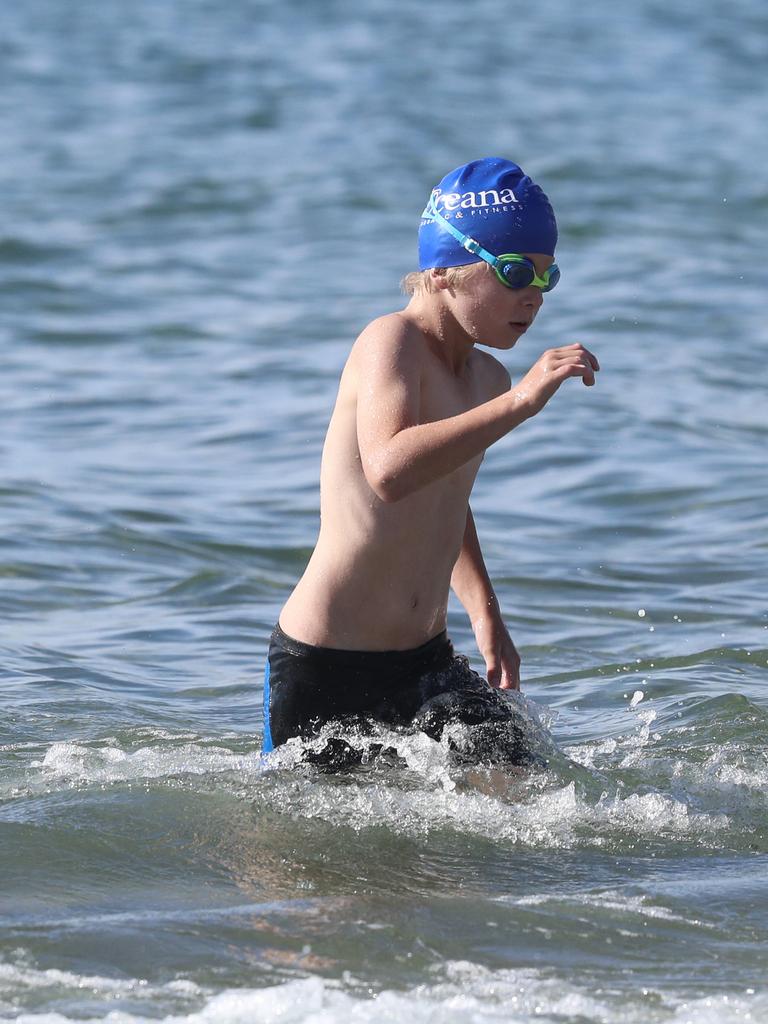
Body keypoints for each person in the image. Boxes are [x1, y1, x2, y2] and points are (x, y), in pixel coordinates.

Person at [262, 156, 599, 765]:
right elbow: (390, 470)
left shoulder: (486, 378)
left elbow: (445, 495)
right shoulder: (389, 343)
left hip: (426, 663)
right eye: (515, 271)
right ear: (443, 270)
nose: (533, 298)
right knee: (308, 854)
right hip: (327, 665)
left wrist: (486, 615)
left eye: (547, 278)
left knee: (529, 793)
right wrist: (523, 402)